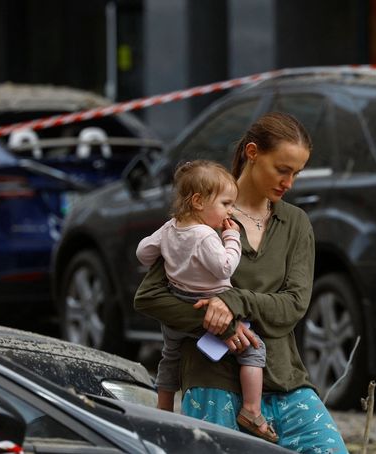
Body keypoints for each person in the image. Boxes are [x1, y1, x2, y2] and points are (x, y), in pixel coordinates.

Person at [134, 112, 347, 452]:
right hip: (213, 382)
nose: (289, 182)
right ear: (252, 152)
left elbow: (294, 305)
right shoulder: (204, 216)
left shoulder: (295, 223)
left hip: (286, 381)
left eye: (296, 173)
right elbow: (150, 297)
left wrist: (234, 302)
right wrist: (220, 325)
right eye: (282, 169)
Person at [135, 160, 278, 443]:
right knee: (253, 350)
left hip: (177, 307)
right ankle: (251, 409)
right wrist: (231, 237)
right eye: (225, 203)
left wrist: (168, 256)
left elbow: (142, 252)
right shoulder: (204, 236)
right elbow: (225, 267)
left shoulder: (170, 228)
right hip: (209, 307)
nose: (230, 211)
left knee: (170, 357)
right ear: (199, 201)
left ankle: (163, 408)